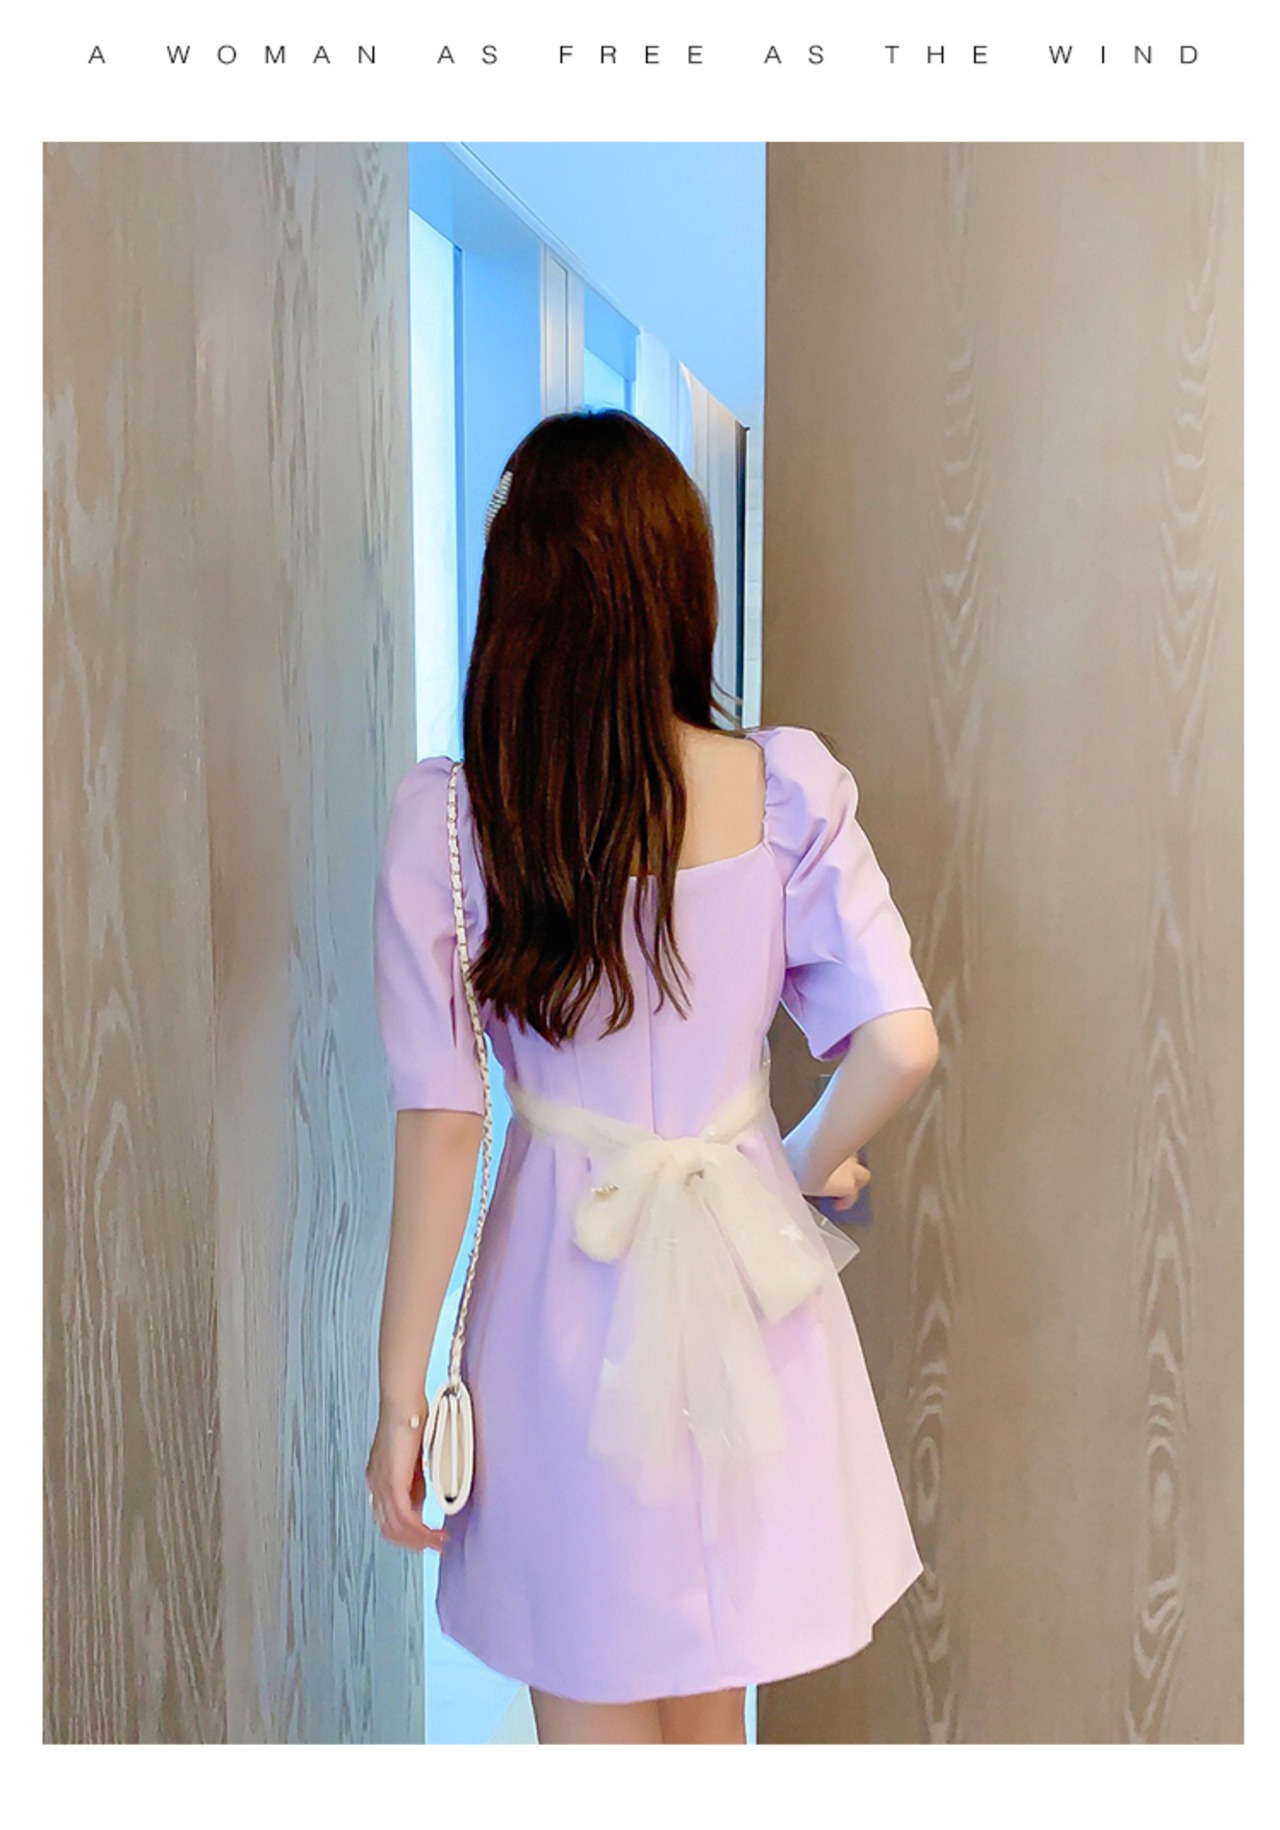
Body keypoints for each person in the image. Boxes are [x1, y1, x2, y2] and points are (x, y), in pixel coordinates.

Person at [365, 408, 939, 1745]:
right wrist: (797, 1171)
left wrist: (401, 1397)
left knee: (594, 1718)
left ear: (518, 597)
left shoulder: (453, 821)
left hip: (557, 1307)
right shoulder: (782, 786)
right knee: (708, 1719)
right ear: (680, 582)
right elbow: (902, 1042)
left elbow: (444, 1123)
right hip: (746, 1290)